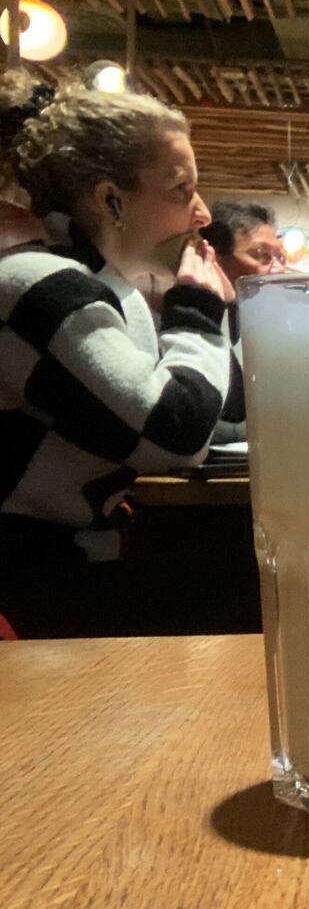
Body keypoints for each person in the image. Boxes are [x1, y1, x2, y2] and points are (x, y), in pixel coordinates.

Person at [0, 70, 235, 637]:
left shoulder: (102, 289)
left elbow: (226, 415)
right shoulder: (37, 283)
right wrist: (197, 311)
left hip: (72, 564)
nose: (203, 214)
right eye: (181, 190)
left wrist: (208, 312)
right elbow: (173, 433)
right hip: (27, 579)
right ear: (111, 199)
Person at [199, 200, 285, 443]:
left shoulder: (273, 322)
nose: (278, 269)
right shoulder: (191, 313)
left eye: (279, 258)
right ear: (215, 257)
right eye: (261, 256)